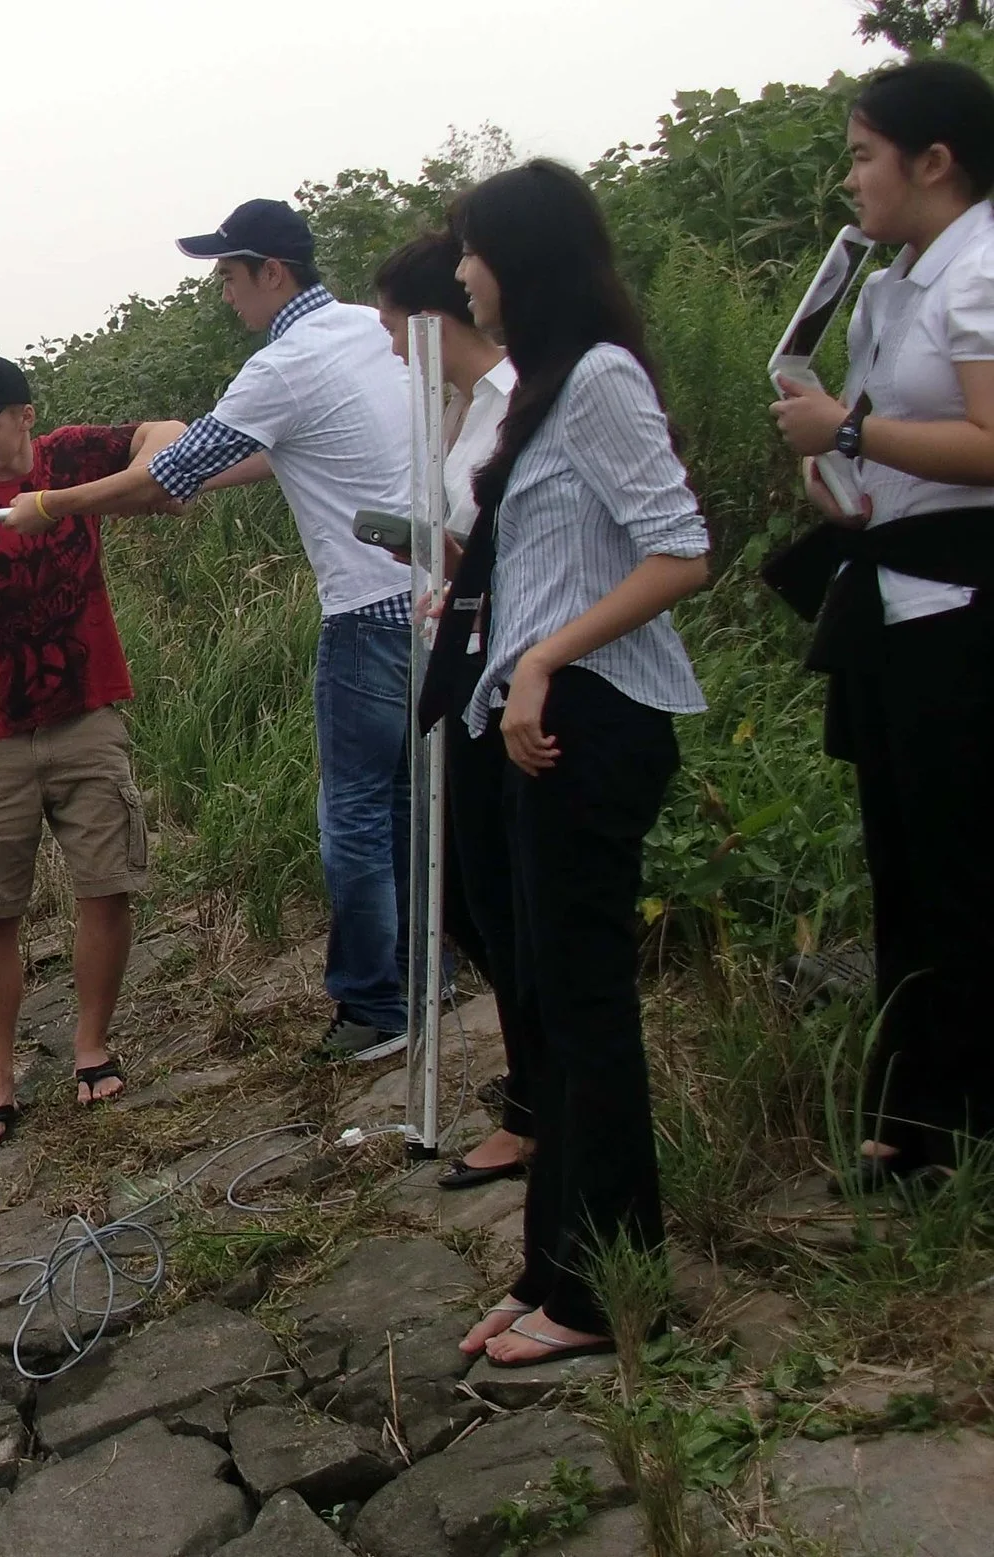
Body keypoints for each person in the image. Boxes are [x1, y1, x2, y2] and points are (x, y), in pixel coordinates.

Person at [24, 198, 418, 1064]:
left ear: (272, 273)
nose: (226, 294)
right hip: (434, 600)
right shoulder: (367, 329)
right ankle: (426, 977)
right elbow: (280, 451)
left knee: (353, 815)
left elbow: (162, 479)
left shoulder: (284, 363)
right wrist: (182, 478)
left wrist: (50, 505)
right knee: (407, 802)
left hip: (366, 614)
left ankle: (374, 1007)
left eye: (231, 277)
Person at [427, 162, 709, 1367]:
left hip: (591, 718)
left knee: (584, 1008)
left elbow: (679, 550)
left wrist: (543, 659)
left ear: (521, 258)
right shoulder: (539, 388)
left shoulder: (596, 376)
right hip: (536, 720)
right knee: (546, 1003)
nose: (459, 273)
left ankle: (602, 1295)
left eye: (470, 249)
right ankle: (552, 1267)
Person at [767, 60, 994, 1191]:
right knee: (903, 865)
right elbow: (879, 437)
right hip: (893, 600)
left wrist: (849, 434)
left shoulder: (981, 269)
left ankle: (955, 1130)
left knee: (960, 869)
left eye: (864, 156)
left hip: (963, 608)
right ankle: (914, 1118)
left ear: (934, 160)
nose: (851, 179)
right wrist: (835, 470)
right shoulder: (895, 281)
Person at [0, 355, 185, 1154]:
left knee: (106, 885)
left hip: (86, 712)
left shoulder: (70, 455)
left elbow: (169, 435)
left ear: (25, 417)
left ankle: (91, 1045)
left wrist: (101, 493)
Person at [371, 232, 531, 1193]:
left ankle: (537, 1101)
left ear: (432, 318)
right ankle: (534, 1075)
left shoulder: (520, 402)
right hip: (456, 657)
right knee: (468, 891)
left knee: (495, 889)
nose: (392, 348)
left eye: (395, 327)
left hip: (511, 666)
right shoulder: (456, 410)